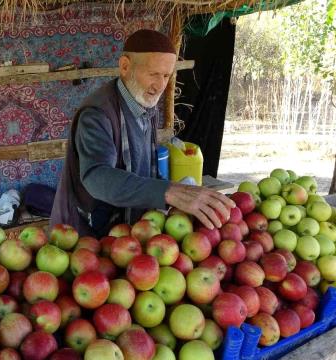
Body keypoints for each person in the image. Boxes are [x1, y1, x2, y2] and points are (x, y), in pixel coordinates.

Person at [51, 29, 234, 237]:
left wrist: (175, 190)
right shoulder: (97, 114)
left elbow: (143, 165)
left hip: (129, 236)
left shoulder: (144, 103)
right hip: (84, 237)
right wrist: (167, 191)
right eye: (153, 74)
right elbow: (96, 176)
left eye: (166, 75)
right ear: (125, 66)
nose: (160, 86)